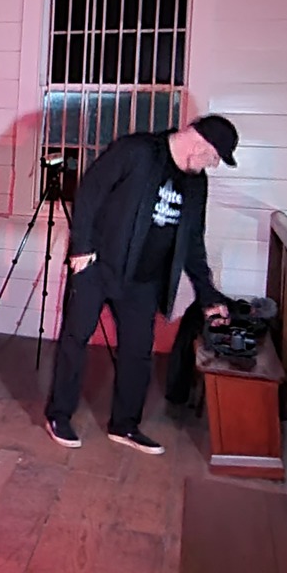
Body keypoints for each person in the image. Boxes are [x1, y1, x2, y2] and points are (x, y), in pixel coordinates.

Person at [45, 116, 236, 454]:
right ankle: (58, 415)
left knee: (138, 351)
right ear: (199, 144)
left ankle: (125, 425)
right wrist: (81, 248)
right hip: (97, 265)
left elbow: (193, 241)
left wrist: (208, 294)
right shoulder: (137, 151)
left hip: (143, 280)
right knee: (75, 339)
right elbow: (90, 192)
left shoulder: (196, 183)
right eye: (214, 157)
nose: (214, 165)